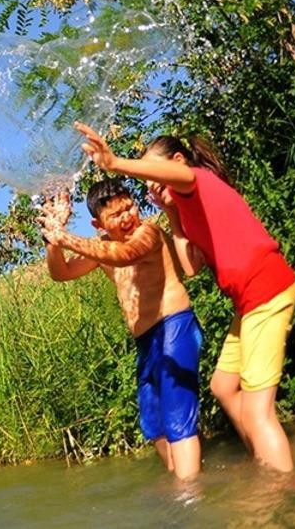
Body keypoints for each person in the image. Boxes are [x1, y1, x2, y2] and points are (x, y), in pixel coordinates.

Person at [74, 122, 295, 472]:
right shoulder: (185, 207)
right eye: (150, 186)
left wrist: (115, 162)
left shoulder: (196, 180)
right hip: (249, 302)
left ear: (178, 162)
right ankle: (262, 459)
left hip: (266, 290)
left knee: (258, 412)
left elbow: (173, 177)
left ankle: (279, 490)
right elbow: (191, 267)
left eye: (157, 178)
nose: (153, 187)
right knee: (223, 387)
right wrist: (170, 211)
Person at [37, 179, 203, 480]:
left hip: (174, 327)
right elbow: (60, 273)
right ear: (97, 223)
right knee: (154, 425)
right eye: (115, 215)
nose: (127, 217)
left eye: (129, 207)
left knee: (179, 420)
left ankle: (190, 496)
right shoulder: (101, 247)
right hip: (146, 343)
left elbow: (127, 255)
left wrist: (66, 238)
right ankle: (183, 488)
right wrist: (52, 240)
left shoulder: (147, 233)